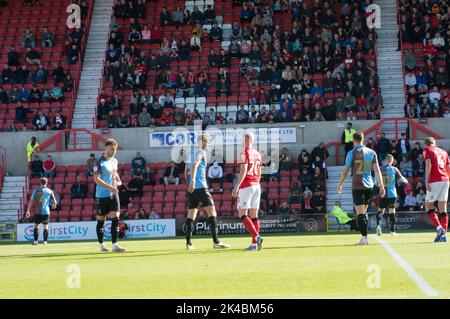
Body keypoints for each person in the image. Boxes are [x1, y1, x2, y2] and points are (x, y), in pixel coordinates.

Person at [337, 131, 385, 245]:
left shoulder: (351, 153)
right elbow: (377, 170)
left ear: (353, 140)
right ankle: (365, 236)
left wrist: (341, 184)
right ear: (363, 139)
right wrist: (382, 186)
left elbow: (346, 170)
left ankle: (364, 238)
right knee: (364, 211)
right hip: (370, 186)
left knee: (360, 213)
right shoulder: (372, 152)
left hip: (358, 185)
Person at [185, 133, 229, 250]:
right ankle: (216, 242)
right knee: (212, 213)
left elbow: (186, 171)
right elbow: (195, 165)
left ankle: (188, 244)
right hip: (200, 187)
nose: (209, 144)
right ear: (203, 141)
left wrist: (189, 183)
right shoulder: (201, 152)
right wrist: (194, 181)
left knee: (191, 215)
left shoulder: (191, 153)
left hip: (191, 189)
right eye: (208, 142)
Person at [232, 131, 264, 251]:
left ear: (246, 140)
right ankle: (254, 244)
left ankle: (256, 237)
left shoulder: (244, 152)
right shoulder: (257, 154)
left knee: (242, 214)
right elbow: (260, 172)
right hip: (257, 185)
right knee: (254, 216)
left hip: (247, 186)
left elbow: (244, 170)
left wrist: (236, 187)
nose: (240, 141)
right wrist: (257, 183)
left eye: (242, 139)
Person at [93, 139, 126, 252]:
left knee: (116, 218)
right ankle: (102, 245)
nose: (114, 151)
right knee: (101, 221)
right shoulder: (98, 162)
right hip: (101, 196)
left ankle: (115, 245)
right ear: (106, 148)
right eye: (112, 149)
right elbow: (96, 180)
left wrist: (119, 182)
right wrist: (109, 187)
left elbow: (116, 175)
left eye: (115, 149)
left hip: (113, 194)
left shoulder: (114, 161)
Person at [375, 154, 409, 236]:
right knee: (392, 211)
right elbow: (403, 180)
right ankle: (392, 231)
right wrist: (405, 182)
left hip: (383, 193)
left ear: (384, 161)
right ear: (392, 161)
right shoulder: (394, 169)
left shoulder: (379, 169)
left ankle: (378, 226)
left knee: (380, 210)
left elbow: (376, 182)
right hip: (392, 194)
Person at [423, 137, 449, 242]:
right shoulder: (443, 151)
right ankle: (443, 235)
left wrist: (426, 180)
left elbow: (428, 164)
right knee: (443, 207)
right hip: (445, 180)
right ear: (435, 143)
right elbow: (448, 167)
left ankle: (439, 229)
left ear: (426, 144)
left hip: (434, 180)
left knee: (428, 206)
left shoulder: (427, 150)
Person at [25, 177, 57, 245]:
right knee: (45, 227)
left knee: (36, 226)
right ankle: (45, 242)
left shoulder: (36, 191)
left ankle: (36, 241)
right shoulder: (49, 191)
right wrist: (54, 205)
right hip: (46, 212)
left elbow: (31, 201)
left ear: (40, 182)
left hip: (38, 212)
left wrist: (28, 211)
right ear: (46, 182)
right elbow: (55, 201)